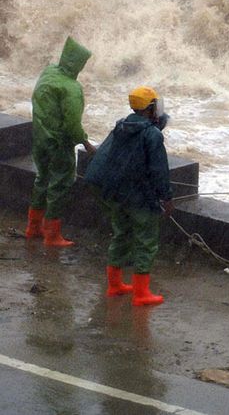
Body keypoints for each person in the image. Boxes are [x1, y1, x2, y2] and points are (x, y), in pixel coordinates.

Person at [84, 86, 174, 306]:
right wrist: (166, 197)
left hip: (117, 194)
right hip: (140, 197)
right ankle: (142, 293)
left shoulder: (122, 125)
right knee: (146, 241)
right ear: (151, 108)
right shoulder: (152, 135)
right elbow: (158, 170)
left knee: (121, 235)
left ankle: (115, 285)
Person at [26, 36, 96, 246]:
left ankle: (33, 227)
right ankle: (52, 235)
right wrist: (85, 143)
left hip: (40, 137)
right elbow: (72, 124)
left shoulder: (48, 72)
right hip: (59, 144)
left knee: (42, 179)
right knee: (60, 184)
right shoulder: (71, 88)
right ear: (79, 64)